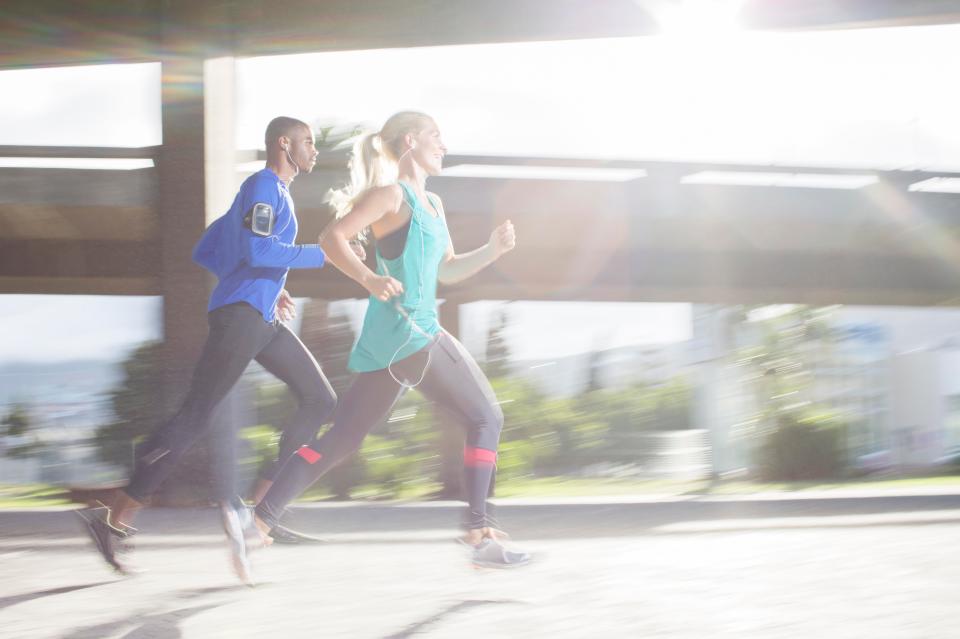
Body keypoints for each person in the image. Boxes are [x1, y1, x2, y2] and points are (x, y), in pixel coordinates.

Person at [253, 111, 531, 568]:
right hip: (413, 332)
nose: (443, 144)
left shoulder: (433, 205)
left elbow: (447, 269)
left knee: (341, 439)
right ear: (409, 142)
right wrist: (369, 279)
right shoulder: (391, 196)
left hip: (391, 342)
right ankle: (479, 533)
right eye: (435, 136)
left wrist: (492, 251)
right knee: (487, 416)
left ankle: (258, 522)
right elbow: (331, 239)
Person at [77, 116, 342, 584]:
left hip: (259, 317)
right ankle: (114, 519)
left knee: (320, 398)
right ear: (284, 144)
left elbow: (208, 249)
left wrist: (267, 282)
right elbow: (259, 251)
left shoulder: (271, 192)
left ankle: (261, 511)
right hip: (240, 319)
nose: (314, 151)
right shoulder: (262, 186)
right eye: (307, 143)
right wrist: (319, 253)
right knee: (193, 418)